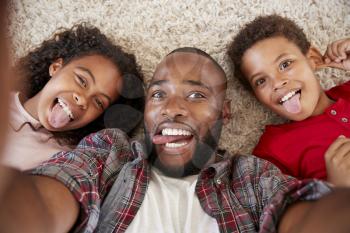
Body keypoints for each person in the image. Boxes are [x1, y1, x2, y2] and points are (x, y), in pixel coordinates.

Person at [1, 48, 350, 233]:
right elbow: (50, 198)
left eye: (197, 96)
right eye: (158, 95)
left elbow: (302, 217)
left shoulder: (253, 177)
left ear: (224, 112)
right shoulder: (110, 152)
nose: (172, 109)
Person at [227, 14, 350, 186]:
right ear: (257, 96)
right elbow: (275, 210)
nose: (277, 83)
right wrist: (337, 189)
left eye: (285, 65)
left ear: (313, 59)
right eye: (261, 81)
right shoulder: (272, 151)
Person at [2, 23, 144, 171]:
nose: (83, 100)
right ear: (56, 68)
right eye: (82, 80)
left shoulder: (67, 161)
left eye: (98, 102)